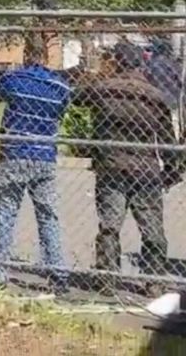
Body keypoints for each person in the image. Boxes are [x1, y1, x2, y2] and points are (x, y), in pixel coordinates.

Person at [74, 44, 182, 277]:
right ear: (141, 65)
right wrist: (173, 168)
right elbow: (166, 139)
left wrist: (97, 74)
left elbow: (77, 97)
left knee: (110, 225)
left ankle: (108, 276)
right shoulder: (154, 96)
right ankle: (154, 278)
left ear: (118, 62)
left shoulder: (104, 89)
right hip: (145, 168)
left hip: (112, 164)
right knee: (152, 226)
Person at [0, 42, 71, 292]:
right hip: (44, 155)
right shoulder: (59, 86)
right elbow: (62, 110)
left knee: (6, 213)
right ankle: (58, 273)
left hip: (14, 152)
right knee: (48, 216)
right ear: (47, 57)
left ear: (25, 56)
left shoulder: (14, 78)